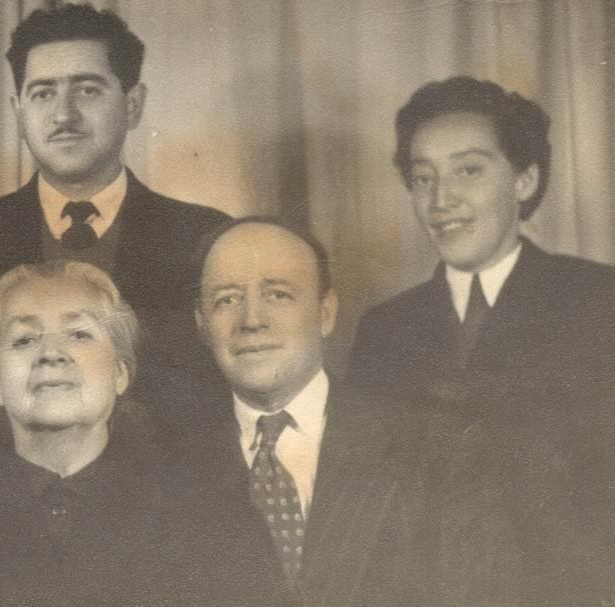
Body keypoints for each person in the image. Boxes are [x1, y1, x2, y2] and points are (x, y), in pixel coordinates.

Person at [348, 76, 615, 603]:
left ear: (524, 179)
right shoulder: (384, 330)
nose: (441, 199)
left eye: (468, 170)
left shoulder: (599, 302)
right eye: (423, 178)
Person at [175, 217, 524, 606]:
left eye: (278, 295)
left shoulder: (440, 450)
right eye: (227, 300)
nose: (252, 321)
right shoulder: (164, 472)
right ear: (202, 325)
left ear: (325, 313)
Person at [0, 3, 228, 399]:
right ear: (18, 112)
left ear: (133, 105)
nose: (63, 115)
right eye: (43, 93)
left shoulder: (206, 239)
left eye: (87, 90)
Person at [0, 261, 205, 606]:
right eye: (24, 339)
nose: (51, 354)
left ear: (120, 373)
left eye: (79, 334)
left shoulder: (197, 516)